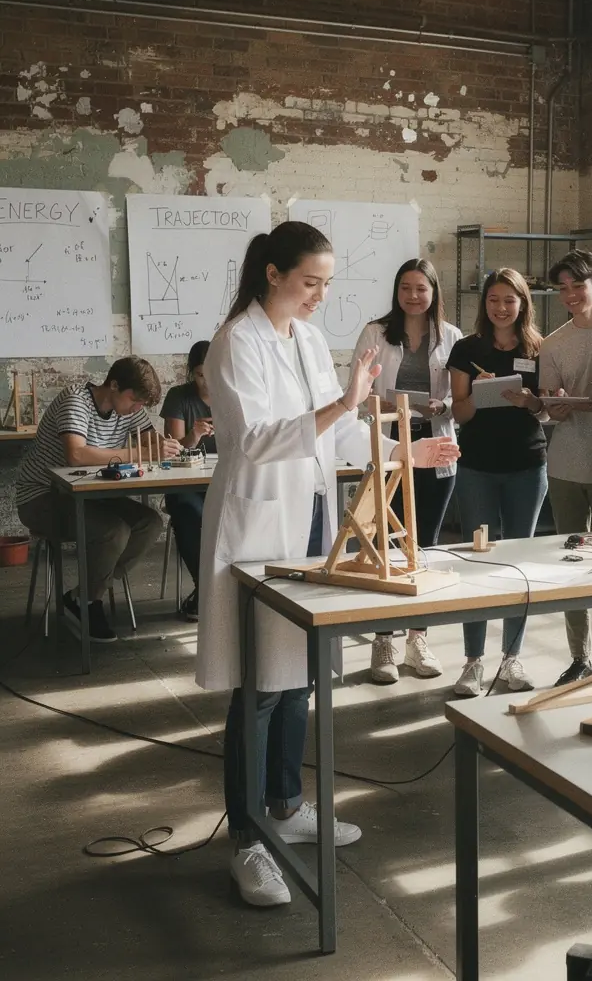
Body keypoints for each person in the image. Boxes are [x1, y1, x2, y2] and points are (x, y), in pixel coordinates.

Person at [197, 222, 458, 908]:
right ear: (273, 274)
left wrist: (409, 455)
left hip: (311, 522)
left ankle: (286, 805)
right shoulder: (236, 342)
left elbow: (342, 430)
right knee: (258, 686)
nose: (319, 296)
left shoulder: (309, 340)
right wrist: (344, 402)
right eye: (310, 282)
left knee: (300, 678)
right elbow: (252, 441)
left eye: (326, 284)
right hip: (258, 523)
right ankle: (248, 841)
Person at [16, 357, 180, 641]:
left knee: (150, 522)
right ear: (113, 385)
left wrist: (165, 446)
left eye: (142, 404)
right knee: (113, 531)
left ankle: (84, 595)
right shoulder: (75, 401)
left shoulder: (130, 408)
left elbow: (149, 441)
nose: (137, 408)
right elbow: (76, 455)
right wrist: (140, 454)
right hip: (42, 495)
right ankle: (90, 601)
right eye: (134, 400)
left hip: (93, 494)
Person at [352, 258, 462, 684]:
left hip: (435, 449)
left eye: (422, 288)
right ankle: (384, 640)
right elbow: (360, 396)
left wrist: (442, 406)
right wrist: (392, 408)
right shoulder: (375, 333)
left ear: (434, 292)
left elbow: (460, 395)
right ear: (396, 292)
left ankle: (418, 637)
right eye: (406, 288)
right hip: (392, 448)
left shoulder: (451, 336)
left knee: (426, 547)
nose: (413, 296)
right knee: (385, 545)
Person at [447, 267, 547, 697]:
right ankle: (472, 662)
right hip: (478, 467)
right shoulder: (466, 348)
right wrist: (476, 394)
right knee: (478, 560)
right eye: (493, 300)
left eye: (510, 300)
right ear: (483, 304)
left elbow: (546, 412)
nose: (501, 307)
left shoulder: (540, 348)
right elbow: (460, 414)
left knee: (518, 563)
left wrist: (530, 401)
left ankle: (512, 658)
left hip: (527, 464)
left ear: (523, 303)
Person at [539, 249, 592, 685]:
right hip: (566, 464)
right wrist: (551, 407)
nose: (570, 294)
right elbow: (550, 410)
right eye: (562, 288)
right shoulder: (552, 343)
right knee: (569, 561)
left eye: (578, 285)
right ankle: (579, 657)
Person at [160, 339, 215, 622]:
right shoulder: (179, 396)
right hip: (185, 482)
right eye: (199, 375)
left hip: (222, 480)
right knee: (190, 511)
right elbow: (171, 452)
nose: (206, 382)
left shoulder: (234, 394)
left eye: (211, 374)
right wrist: (193, 437)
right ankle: (205, 587)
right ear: (191, 374)